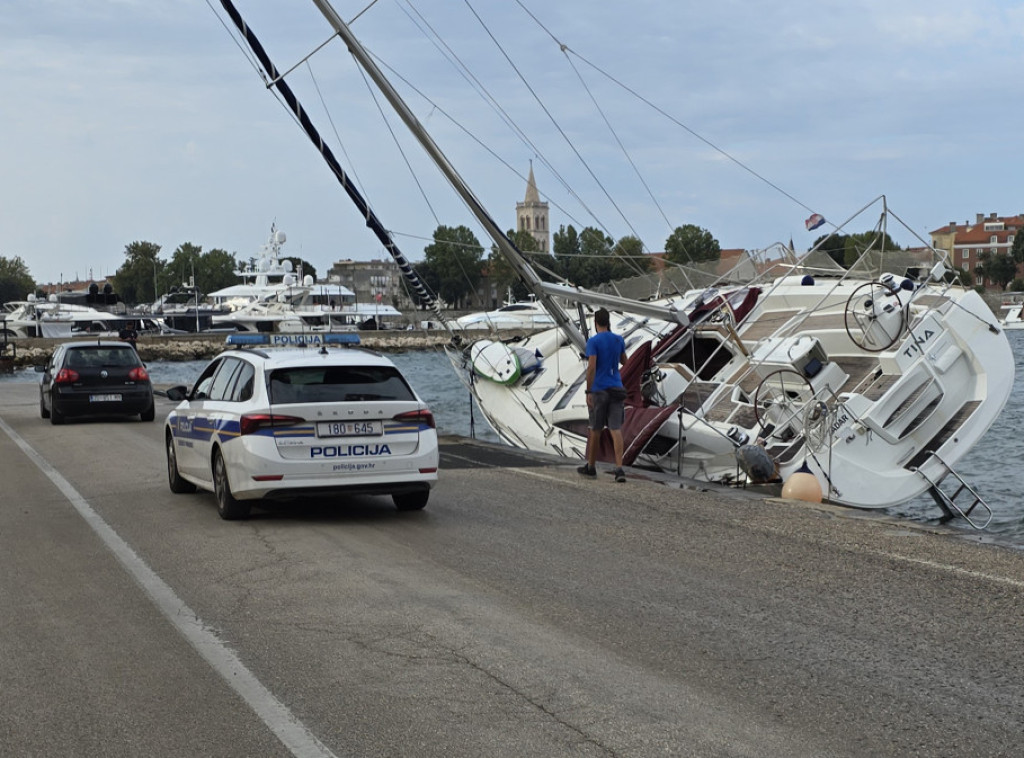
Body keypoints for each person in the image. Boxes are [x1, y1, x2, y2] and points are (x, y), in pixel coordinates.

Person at [577, 307, 628, 482]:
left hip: (599, 389)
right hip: (616, 387)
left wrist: (588, 390)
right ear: (609, 322)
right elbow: (624, 361)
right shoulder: (618, 339)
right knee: (615, 429)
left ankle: (591, 467)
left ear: (595, 322)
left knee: (596, 429)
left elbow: (591, 367)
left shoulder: (593, 341)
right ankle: (619, 469)